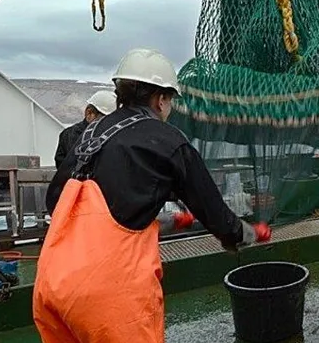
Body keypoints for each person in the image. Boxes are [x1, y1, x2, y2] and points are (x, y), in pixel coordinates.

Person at [34, 48, 271, 343]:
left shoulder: (90, 136)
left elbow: (61, 203)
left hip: (51, 283)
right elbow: (213, 210)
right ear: (161, 99)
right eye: (170, 100)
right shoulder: (168, 140)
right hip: (108, 294)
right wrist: (245, 234)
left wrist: (165, 220)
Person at [53, 89, 117, 170]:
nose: (111, 124)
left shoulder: (111, 136)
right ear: (89, 113)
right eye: (106, 119)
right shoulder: (71, 135)